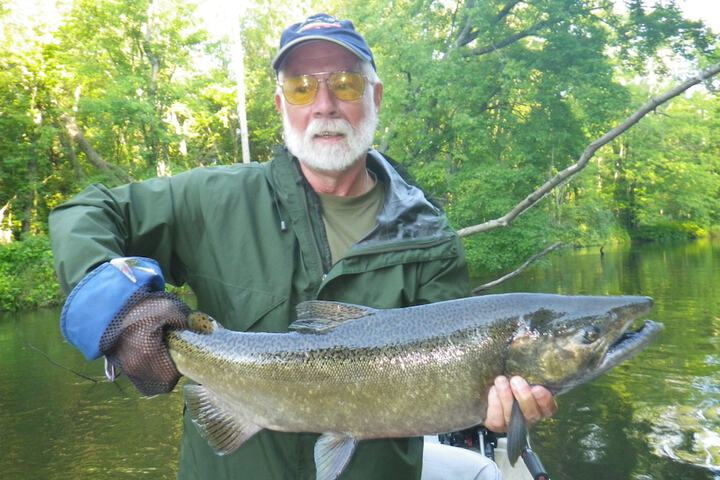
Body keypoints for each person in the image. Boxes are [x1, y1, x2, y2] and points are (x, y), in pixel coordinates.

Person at [49, 13, 556, 480]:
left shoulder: (429, 239)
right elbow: (84, 213)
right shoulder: (213, 199)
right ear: (280, 105)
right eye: (300, 86)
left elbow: (455, 381)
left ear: (375, 97)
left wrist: (495, 413)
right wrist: (122, 305)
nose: (324, 103)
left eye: (346, 83)